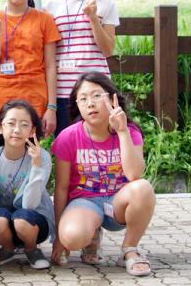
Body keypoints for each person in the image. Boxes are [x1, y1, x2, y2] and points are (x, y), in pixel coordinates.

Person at [50, 72, 155, 277]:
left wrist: (122, 131)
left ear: (112, 98)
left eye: (97, 96)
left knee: (143, 188)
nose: (90, 103)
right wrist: (58, 238)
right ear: (77, 106)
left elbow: (134, 175)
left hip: (117, 203)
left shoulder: (130, 131)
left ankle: (130, 249)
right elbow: (61, 188)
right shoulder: (68, 137)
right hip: (85, 202)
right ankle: (91, 236)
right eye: (83, 99)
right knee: (71, 237)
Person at [44, 0, 119, 135]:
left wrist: (93, 18)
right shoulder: (50, 6)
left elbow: (108, 50)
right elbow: (48, 55)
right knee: (66, 143)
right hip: (63, 90)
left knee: (99, 141)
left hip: (96, 89)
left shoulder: (104, 1)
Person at [0, 0, 61, 136]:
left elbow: (50, 66)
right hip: (0, 102)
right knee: (0, 151)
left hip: (35, 101)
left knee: (32, 151)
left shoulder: (44, 19)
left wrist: (51, 107)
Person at [0, 100, 54, 269]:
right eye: (11, 123)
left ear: (32, 130)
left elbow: (29, 205)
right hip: (4, 224)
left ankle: (31, 250)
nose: (17, 130)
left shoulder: (42, 157)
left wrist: (36, 166)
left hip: (33, 222)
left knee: (21, 218)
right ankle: (7, 249)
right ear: (0, 127)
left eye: (24, 124)